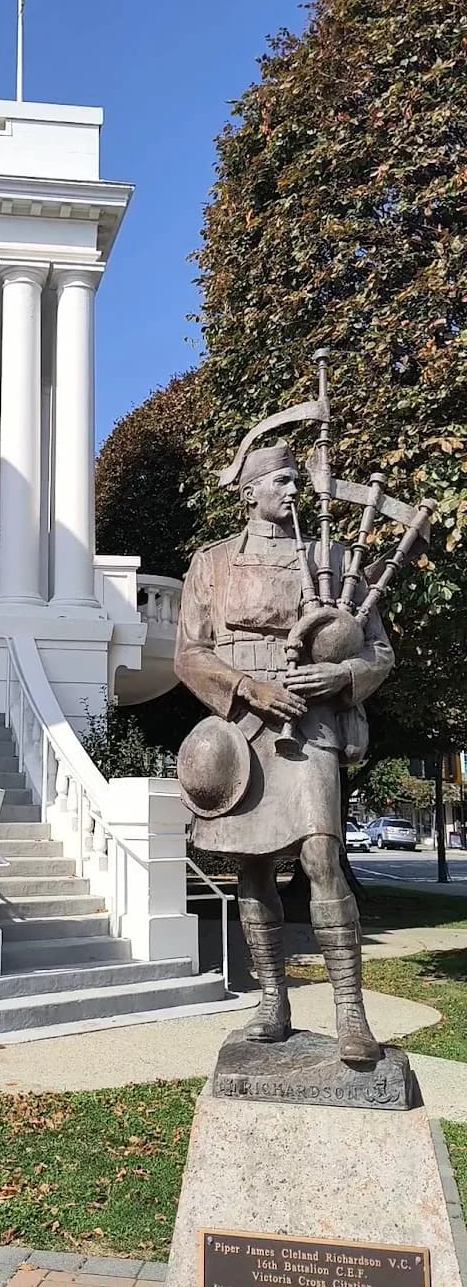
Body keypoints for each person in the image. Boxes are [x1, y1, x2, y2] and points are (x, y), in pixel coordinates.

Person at [175, 441, 395, 1063]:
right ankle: (273, 1000)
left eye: (298, 479)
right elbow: (190, 655)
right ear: (249, 492)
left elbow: (377, 651)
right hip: (241, 727)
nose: (293, 489)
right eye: (280, 479)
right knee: (251, 866)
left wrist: (344, 679)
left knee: (322, 854)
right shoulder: (212, 564)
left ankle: (351, 1012)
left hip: (311, 726)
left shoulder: (335, 560)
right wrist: (246, 689)